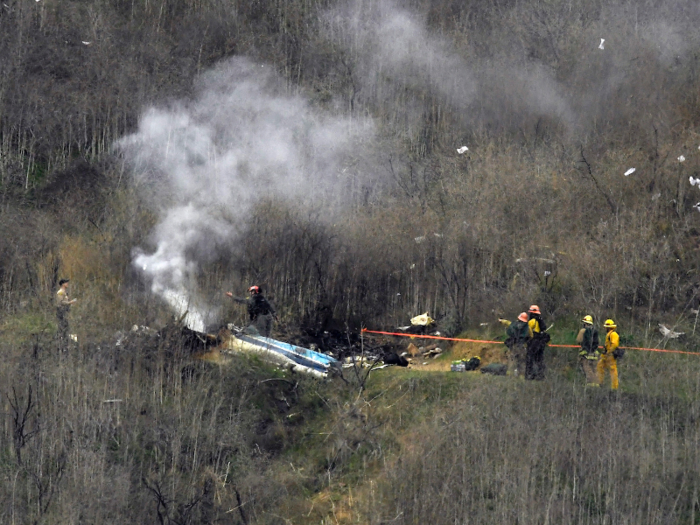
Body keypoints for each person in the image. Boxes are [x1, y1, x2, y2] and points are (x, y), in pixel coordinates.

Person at [504, 312, 532, 378]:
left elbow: (508, 332)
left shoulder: (513, 324)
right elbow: (531, 336)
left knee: (512, 360)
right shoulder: (527, 327)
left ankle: (509, 375)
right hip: (522, 346)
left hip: (513, 345)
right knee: (522, 361)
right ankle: (521, 376)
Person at [526, 304, 549, 380]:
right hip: (541, 343)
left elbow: (528, 331)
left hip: (534, 342)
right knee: (539, 360)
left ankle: (530, 375)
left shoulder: (532, 321)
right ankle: (541, 375)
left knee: (530, 359)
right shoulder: (541, 320)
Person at [576, 315, 600, 386]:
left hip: (585, 353)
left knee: (587, 368)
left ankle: (591, 383)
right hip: (594, 354)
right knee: (595, 369)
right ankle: (597, 383)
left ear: (584, 323)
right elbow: (598, 341)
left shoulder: (583, 330)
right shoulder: (595, 331)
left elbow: (578, 340)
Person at [597, 318, 620, 390]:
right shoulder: (609, 334)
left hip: (610, 355)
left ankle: (614, 387)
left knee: (613, 370)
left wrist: (609, 352)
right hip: (606, 355)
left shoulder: (613, 334)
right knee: (600, 366)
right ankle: (600, 383)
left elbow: (614, 344)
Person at [56, 279, 77, 350]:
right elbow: (60, 302)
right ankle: (61, 341)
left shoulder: (64, 292)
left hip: (65, 311)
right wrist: (70, 302)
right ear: (62, 284)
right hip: (61, 312)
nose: (67, 283)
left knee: (66, 326)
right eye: (66, 282)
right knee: (62, 325)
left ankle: (65, 340)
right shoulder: (60, 292)